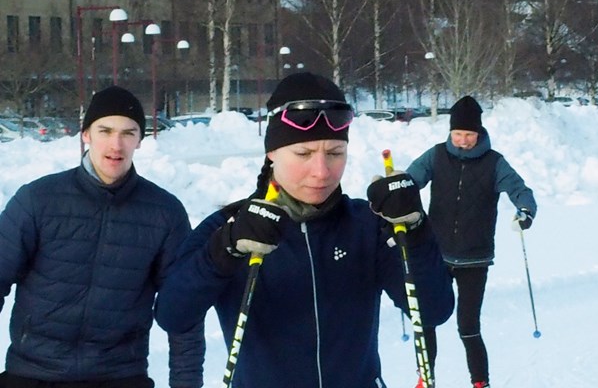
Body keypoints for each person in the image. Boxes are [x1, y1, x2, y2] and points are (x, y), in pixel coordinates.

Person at [154, 72, 454, 386]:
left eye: (335, 153)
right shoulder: (232, 227)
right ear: (271, 153)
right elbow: (173, 314)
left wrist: (415, 229)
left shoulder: (366, 224)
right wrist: (224, 250)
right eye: (303, 154)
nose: (322, 171)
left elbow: (433, 310)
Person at [0, 86, 203, 387]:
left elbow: (184, 308)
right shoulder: (38, 200)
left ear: (140, 139)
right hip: (33, 372)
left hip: (119, 375)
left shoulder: (165, 213)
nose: (116, 144)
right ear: (86, 134)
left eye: (128, 133)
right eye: (105, 130)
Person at [406, 95, 538, 388]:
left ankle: (480, 383)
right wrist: (394, 195)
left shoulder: (494, 163)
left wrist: (525, 211)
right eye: (457, 134)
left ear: (479, 133)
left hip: (474, 258)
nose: (462, 140)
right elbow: (410, 180)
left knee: (468, 327)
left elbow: (520, 190)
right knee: (426, 319)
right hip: (435, 253)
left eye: (468, 134)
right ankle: (425, 379)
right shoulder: (437, 155)